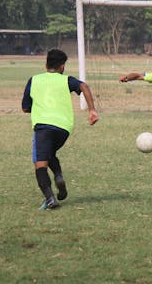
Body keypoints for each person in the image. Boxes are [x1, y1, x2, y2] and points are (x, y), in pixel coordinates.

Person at [22, 49, 99, 210]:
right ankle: (58, 177)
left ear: (46, 64)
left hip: (43, 127)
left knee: (40, 162)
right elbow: (83, 86)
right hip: (63, 128)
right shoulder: (67, 80)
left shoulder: (34, 80)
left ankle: (50, 199)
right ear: (62, 67)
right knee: (49, 154)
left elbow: (25, 108)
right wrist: (92, 110)